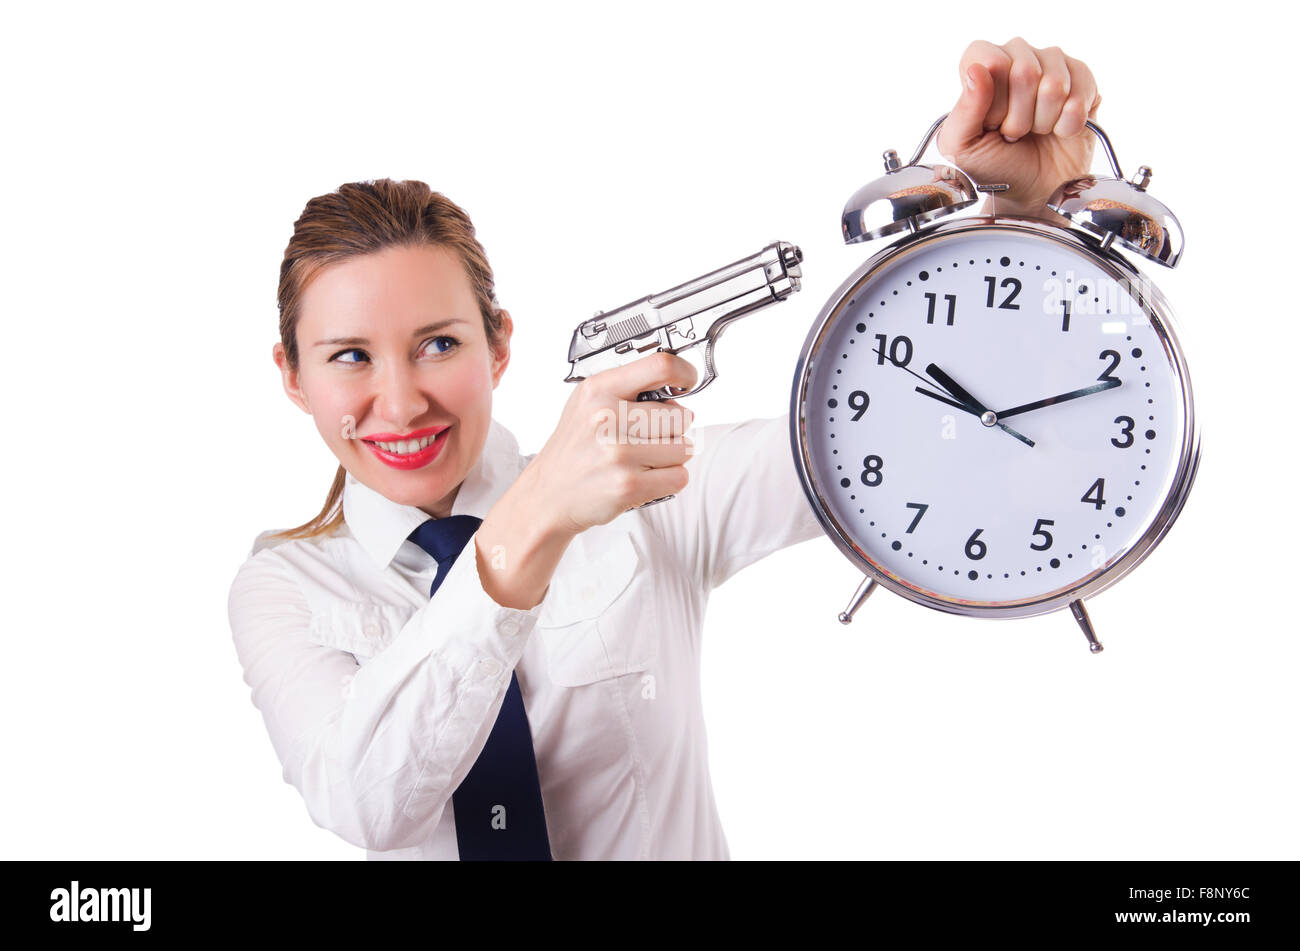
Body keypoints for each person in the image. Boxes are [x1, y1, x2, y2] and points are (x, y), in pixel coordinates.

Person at [228, 38, 1102, 860]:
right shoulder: (282, 589)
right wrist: (532, 516)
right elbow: (366, 801)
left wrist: (1016, 229)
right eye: (349, 356)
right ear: (292, 376)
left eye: (439, 344)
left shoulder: (656, 491)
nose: (402, 398)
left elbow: (936, 434)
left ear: (498, 344)